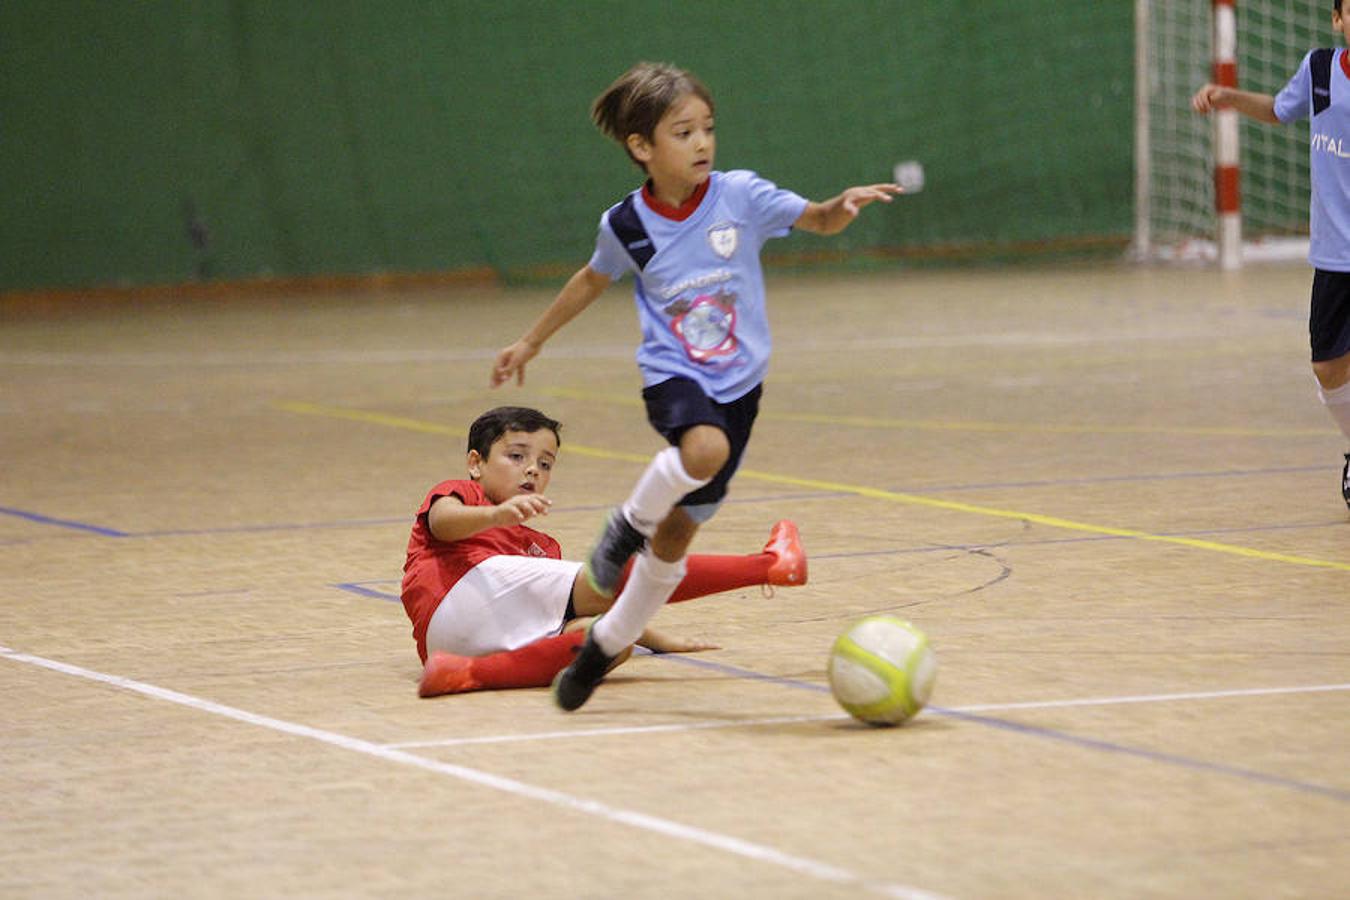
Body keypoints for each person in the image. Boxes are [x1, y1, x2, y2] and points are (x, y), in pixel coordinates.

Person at [489, 61, 900, 711]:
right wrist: (532, 340)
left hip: (742, 385)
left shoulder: (740, 196)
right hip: (674, 373)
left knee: (678, 536)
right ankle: (623, 526)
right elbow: (592, 279)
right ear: (642, 148)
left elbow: (816, 219)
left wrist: (838, 208)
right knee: (700, 451)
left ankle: (602, 645)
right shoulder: (626, 225)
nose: (702, 142)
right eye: (683, 132)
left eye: (708, 128)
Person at [403, 406, 807, 698]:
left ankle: (470, 674)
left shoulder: (542, 548)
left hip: (454, 647)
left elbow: (589, 605)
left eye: (545, 463)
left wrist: (654, 637)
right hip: (454, 599)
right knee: (608, 574)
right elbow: (442, 521)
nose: (533, 470)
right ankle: (769, 566)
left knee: (607, 642)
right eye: (517, 456)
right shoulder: (464, 494)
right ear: (476, 463)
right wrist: (495, 515)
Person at [1192, 2, 1350, 512]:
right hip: (1334, 253)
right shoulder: (1320, 71)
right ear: (1337, 19)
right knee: (1328, 365)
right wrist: (1230, 97)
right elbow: (1279, 110)